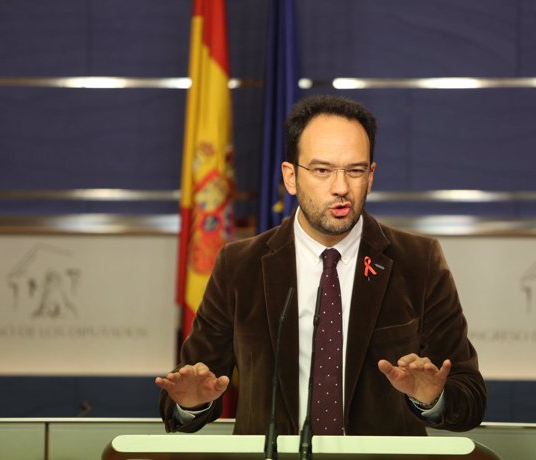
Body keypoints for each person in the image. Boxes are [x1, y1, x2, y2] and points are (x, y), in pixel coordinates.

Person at [156, 94, 486, 435]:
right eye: (322, 170)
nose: (341, 188)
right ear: (290, 177)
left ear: (370, 176)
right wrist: (189, 403)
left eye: (355, 171)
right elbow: (184, 393)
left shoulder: (418, 262)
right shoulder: (240, 265)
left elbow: (470, 399)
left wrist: (432, 400)